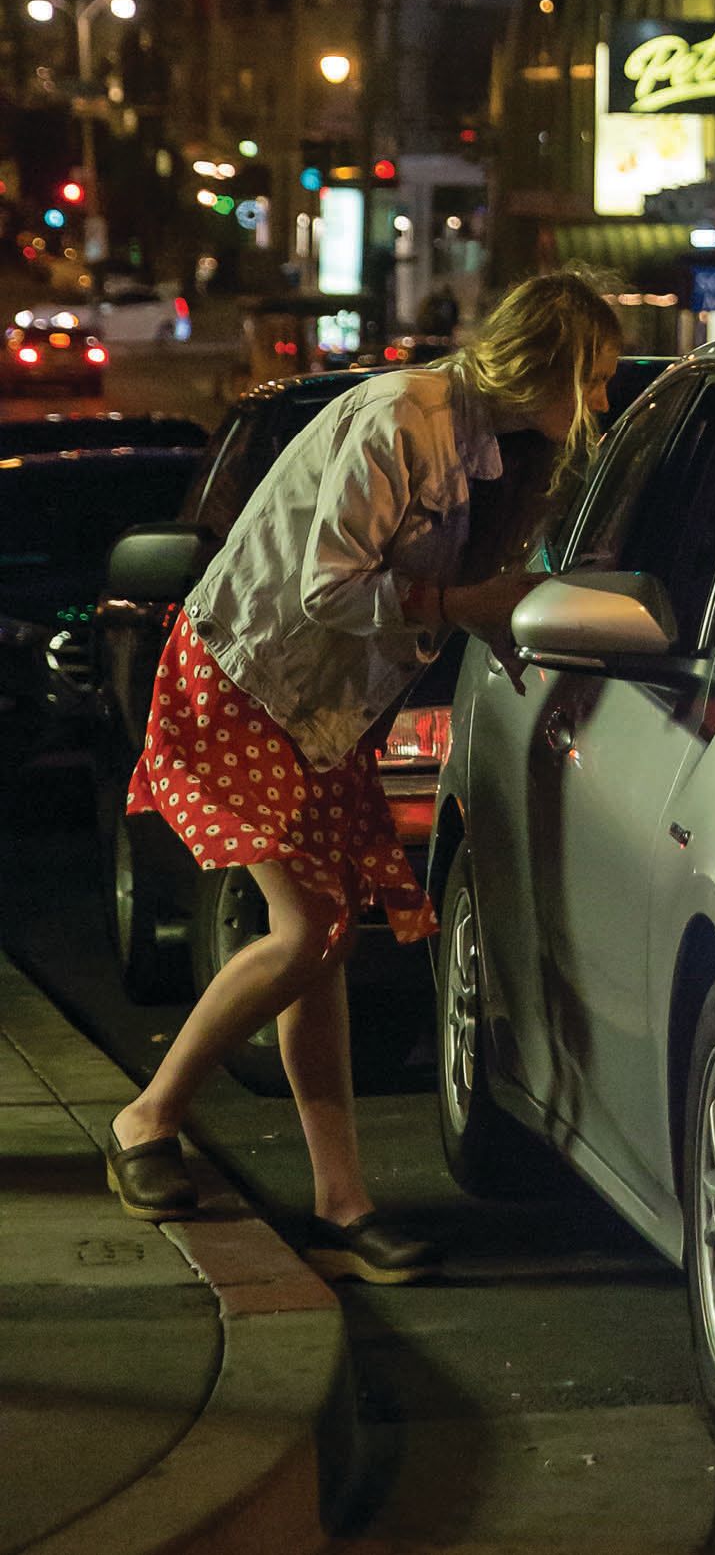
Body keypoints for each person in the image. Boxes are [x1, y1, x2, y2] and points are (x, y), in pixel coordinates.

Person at [101, 272, 623, 1279]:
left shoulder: (493, 450)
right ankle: (146, 1119)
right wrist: (463, 602)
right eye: (592, 380)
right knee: (306, 930)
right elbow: (327, 585)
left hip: (323, 708)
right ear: (543, 362)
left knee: (326, 943)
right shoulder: (403, 417)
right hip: (249, 676)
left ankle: (344, 1205)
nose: (598, 404)